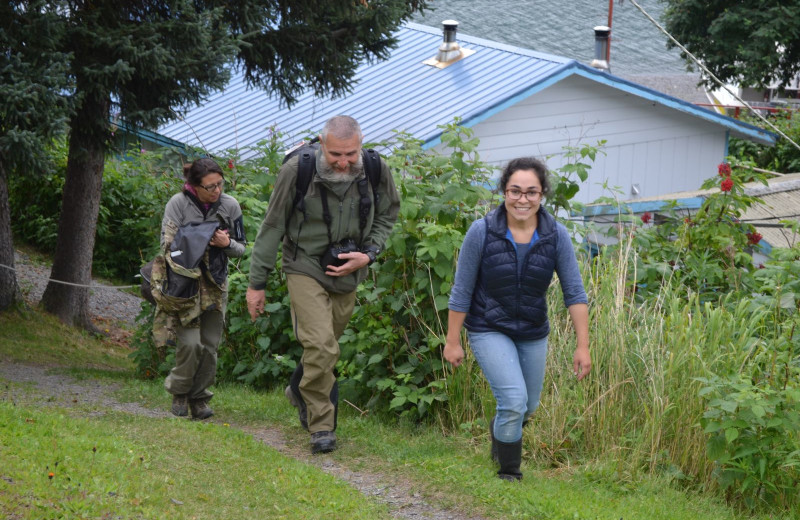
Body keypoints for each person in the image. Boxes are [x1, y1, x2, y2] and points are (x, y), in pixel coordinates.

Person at [246, 115, 400, 454]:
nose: (344, 163)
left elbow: (389, 212)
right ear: (321, 144)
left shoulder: (375, 168)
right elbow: (271, 227)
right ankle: (321, 425)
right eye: (335, 155)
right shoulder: (296, 171)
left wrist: (370, 253)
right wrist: (257, 284)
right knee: (322, 346)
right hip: (303, 265)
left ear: (360, 145)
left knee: (325, 344)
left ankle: (298, 388)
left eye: (350, 154)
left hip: (349, 268)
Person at [443, 156, 590, 481]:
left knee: (528, 406)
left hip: (532, 330)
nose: (523, 199)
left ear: (542, 195)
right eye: (515, 191)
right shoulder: (481, 232)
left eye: (531, 192)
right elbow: (461, 290)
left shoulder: (556, 236)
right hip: (487, 326)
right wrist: (453, 341)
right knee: (512, 399)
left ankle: (502, 433)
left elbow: (575, 293)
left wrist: (583, 346)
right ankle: (508, 472)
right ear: (504, 192)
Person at [157, 157, 246, 420]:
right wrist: (203, 236)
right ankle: (180, 392)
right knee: (190, 344)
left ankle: (200, 398)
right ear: (194, 185)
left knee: (209, 346)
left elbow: (241, 248)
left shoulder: (230, 205)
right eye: (210, 186)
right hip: (184, 284)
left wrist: (225, 244)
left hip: (216, 285)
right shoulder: (178, 204)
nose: (217, 190)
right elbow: (167, 245)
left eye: (220, 184)